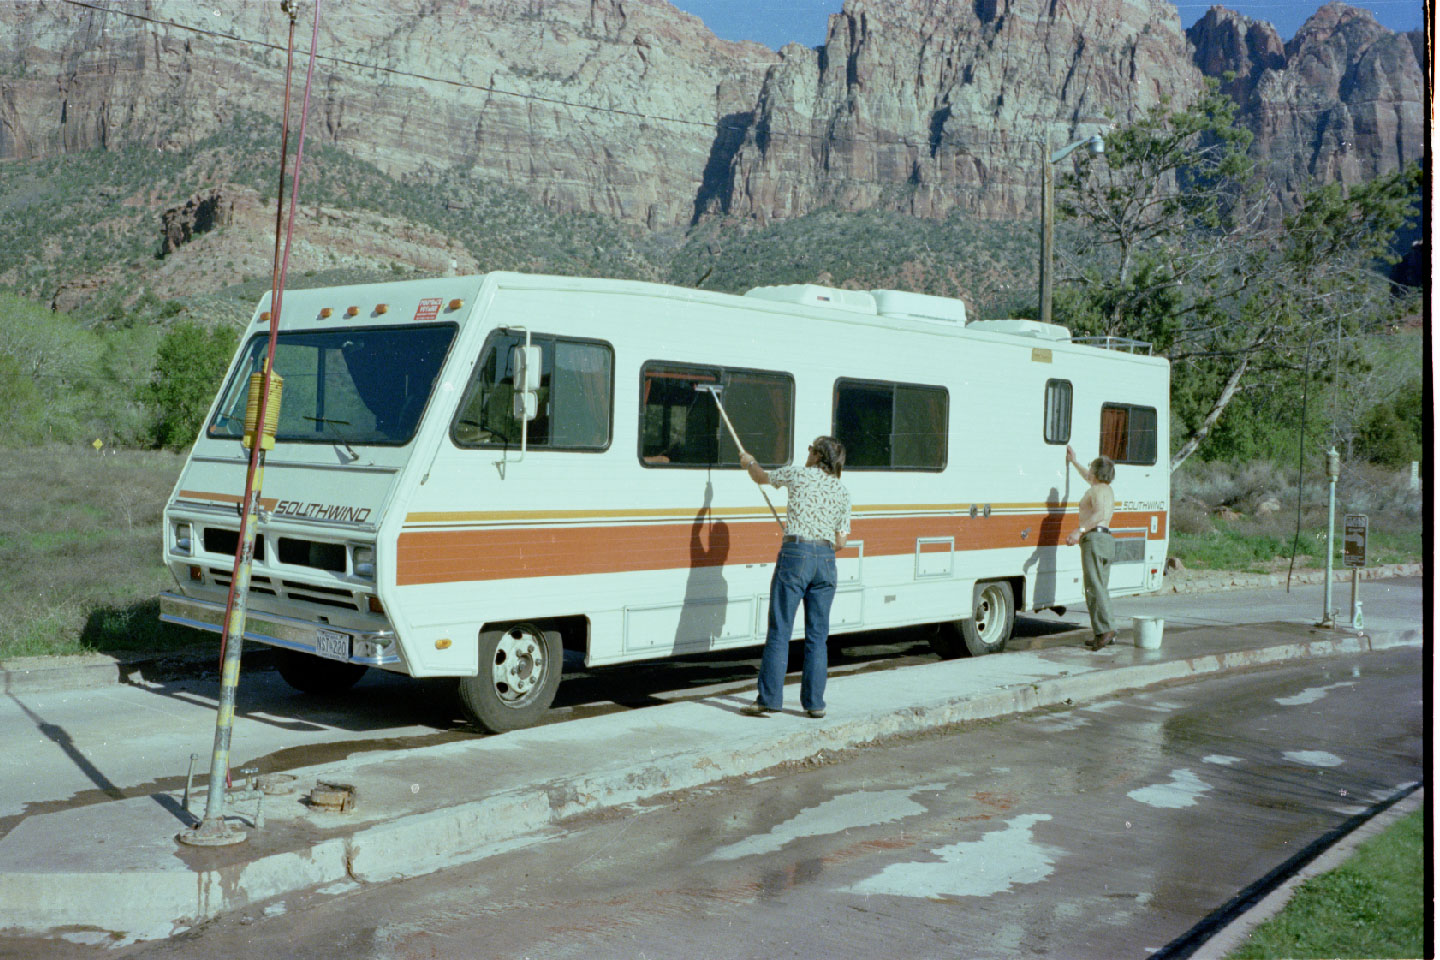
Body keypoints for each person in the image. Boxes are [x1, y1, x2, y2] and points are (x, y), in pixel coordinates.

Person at [738, 436, 851, 719]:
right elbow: (841, 541)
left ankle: (769, 699)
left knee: (780, 630)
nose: (807, 452)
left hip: (796, 555)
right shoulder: (841, 490)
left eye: (811, 449)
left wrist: (748, 461)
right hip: (826, 561)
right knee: (817, 636)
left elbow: (761, 477)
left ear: (816, 456)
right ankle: (814, 704)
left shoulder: (798, 474)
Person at [1066, 445, 1117, 650]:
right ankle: (1105, 630)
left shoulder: (1096, 491)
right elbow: (1088, 477)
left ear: (1096, 472)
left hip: (1094, 539)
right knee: (1100, 587)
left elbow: (1098, 514)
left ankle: (1105, 630)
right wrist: (1074, 461)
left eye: (1091, 468)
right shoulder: (1105, 489)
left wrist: (1079, 530)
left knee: (1093, 587)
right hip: (1106, 539)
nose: (1089, 471)